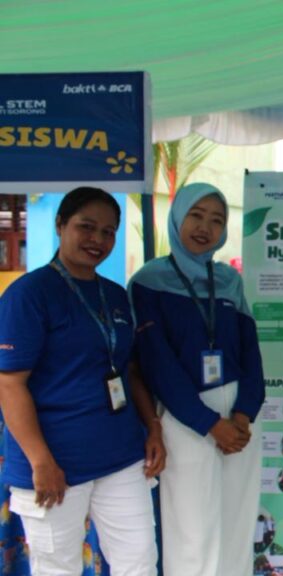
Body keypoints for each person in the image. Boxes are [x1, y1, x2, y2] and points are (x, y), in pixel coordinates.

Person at [0, 186, 164, 574]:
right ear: (61, 225)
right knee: (58, 567)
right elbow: (9, 384)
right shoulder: (29, 294)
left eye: (108, 232)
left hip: (121, 456)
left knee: (139, 561)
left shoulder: (114, 295)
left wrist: (153, 427)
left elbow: (129, 369)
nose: (97, 239)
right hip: (55, 462)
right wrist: (41, 461)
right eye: (86, 227)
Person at [130, 183, 265, 576]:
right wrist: (209, 423)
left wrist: (243, 415)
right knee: (192, 530)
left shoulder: (229, 280)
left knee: (238, 522)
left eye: (217, 220)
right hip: (185, 416)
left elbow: (250, 351)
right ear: (177, 218)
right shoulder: (148, 281)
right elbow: (157, 362)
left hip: (239, 417)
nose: (205, 227)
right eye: (196, 215)